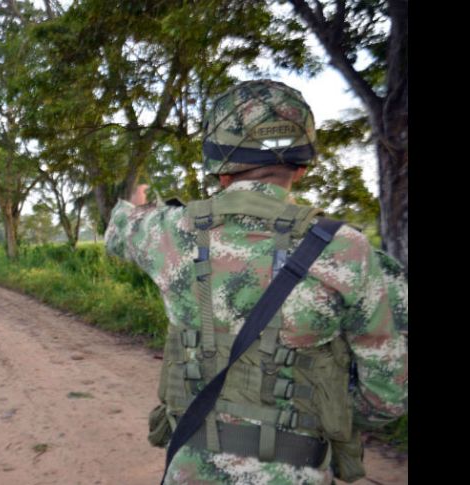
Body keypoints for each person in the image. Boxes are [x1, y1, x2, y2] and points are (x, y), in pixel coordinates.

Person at [105, 79, 407, 485]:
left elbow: (119, 229)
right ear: (301, 166)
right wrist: (323, 404)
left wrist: (138, 202)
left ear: (220, 169)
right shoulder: (346, 250)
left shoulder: (169, 231)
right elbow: (386, 396)